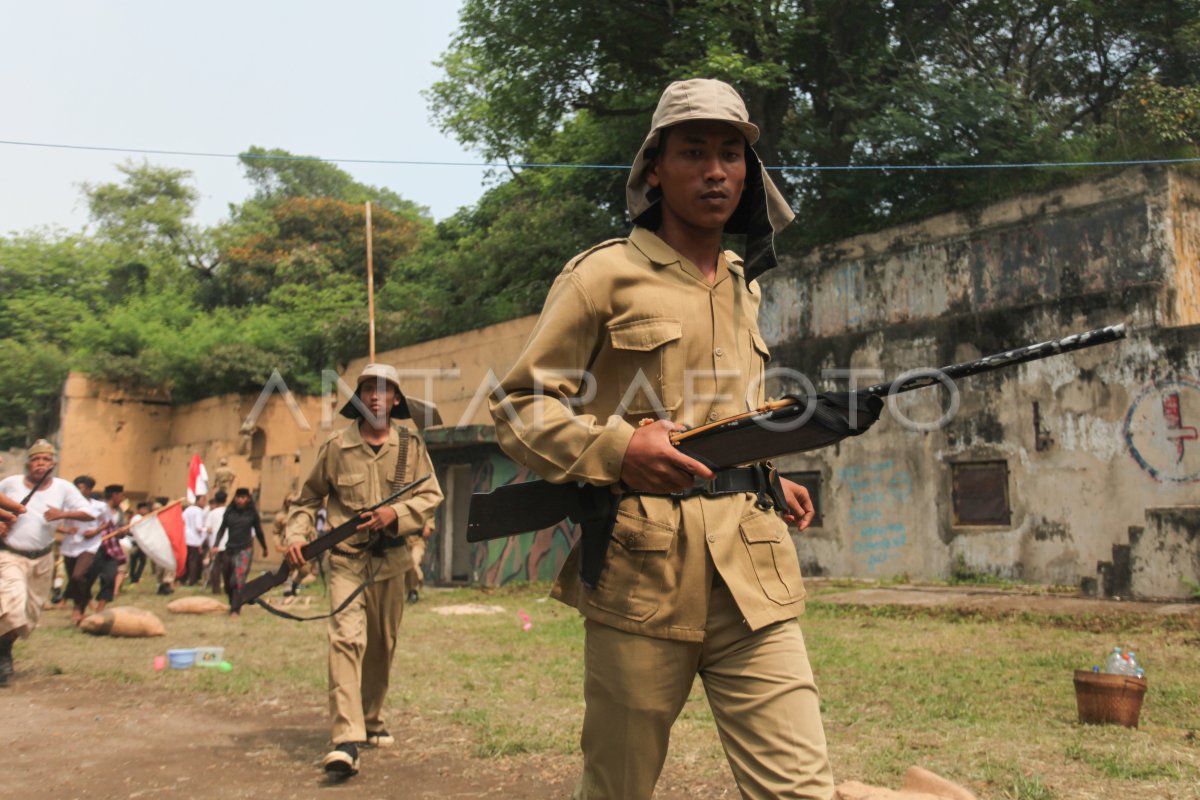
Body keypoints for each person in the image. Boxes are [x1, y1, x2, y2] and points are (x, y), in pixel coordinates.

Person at [491, 78, 833, 799]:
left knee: (801, 787)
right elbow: (519, 405)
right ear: (654, 168)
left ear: (749, 174)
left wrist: (767, 474)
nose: (716, 171)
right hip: (643, 575)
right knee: (618, 786)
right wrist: (619, 450)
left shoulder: (744, 282)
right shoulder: (602, 277)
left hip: (753, 570)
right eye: (694, 152)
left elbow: (726, 411)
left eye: (732, 155)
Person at [284, 363, 444, 776]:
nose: (376, 396)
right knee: (346, 641)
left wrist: (396, 512)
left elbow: (431, 495)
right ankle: (346, 739)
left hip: (392, 562)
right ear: (359, 399)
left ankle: (372, 719)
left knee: (381, 644)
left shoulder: (410, 444)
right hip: (346, 561)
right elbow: (306, 500)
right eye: (368, 389)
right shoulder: (337, 446)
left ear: (395, 399)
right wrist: (296, 537)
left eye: (384, 389)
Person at [0, 440, 95, 685]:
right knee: (12, 606)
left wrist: (61, 514)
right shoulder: (10, 484)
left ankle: (5, 647)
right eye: (36, 459)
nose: (40, 464)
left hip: (42, 559)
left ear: (52, 464)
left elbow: (89, 513)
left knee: (28, 615)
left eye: (45, 460)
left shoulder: (64, 488)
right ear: (28, 463)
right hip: (10, 556)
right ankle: (3, 658)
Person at [59, 475, 107, 624]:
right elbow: (55, 523)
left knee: (77, 576)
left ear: (89, 490)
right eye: (78, 488)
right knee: (73, 579)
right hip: (70, 545)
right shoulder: (66, 506)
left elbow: (106, 522)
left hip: (89, 546)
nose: (80, 491)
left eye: (83, 488)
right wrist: (66, 530)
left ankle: (78, 608)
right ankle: (84, 600)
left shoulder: (99, 506)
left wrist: (96, 531)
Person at [213, 488, 266, 616]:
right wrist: (215, 545)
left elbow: (259, 531)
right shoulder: (229, 512)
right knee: (227, 582)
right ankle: (233, 601)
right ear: (235, 498)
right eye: (238, 497)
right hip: (230, 549)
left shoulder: (252, 513)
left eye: (243, 497)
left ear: (247, 499)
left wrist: (264, 547)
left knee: (238, 580)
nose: (240, 500)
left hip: (245, 550)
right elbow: (221, 529)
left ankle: (235, 610)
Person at [80, 484, 127, 614]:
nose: (122, 499)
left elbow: (121, 532)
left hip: (112, 549)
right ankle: (83, 607)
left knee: (110, 578)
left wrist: (122, 531)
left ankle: (100, 611)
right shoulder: (98, 508)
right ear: (114, 495)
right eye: (121, 495)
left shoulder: (119, 512)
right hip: (95, 548)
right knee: (87, 579)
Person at [404, 520, 433, 604]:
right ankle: (410, 590)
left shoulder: (425, 510)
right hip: (403, 543)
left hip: (418, 542)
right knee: (405, 567)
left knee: (413, 562)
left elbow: (426, 532)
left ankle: (415, 588)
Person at [181, 494, 207, 586]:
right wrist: (207, 530)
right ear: (198, 501)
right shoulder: (198, 511)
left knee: (186, 560)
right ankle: (192, 580)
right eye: (203, 500)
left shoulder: (187, 510)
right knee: (194, 561)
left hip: (185, 538)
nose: (204, 503)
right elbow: (198, 527)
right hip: (194, 539)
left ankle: (183, 578)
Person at [126, 501, 151, 584]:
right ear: (139, 510)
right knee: (141, 561)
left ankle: (133, 576)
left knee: (135, 561)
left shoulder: (140, 518)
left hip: (137, 541)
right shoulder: (138, 518)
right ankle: (135, 577)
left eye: (146, 509)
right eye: (143, 509)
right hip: (137, 542)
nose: (145, 511)